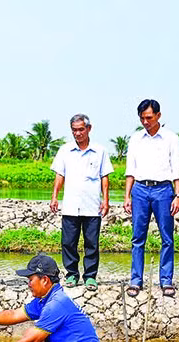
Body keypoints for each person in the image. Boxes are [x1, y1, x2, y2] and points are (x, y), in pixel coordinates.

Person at [123, 99, 179, 297]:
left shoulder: (170, 138)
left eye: (149, 117)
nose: (145, 121)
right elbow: (130, 170)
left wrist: (178, 195)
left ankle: (166, 281)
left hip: (163, 191)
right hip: (140, 190)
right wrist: (127, 196)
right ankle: (135, 280)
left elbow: (177, 169)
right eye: (142, 118)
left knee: (167, 238)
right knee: (137, 238)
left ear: (158, 115)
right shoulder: (135, 139)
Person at [50, 114, 113, 291]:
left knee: (91, 242)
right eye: (74, 130)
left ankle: (90, 276)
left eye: (81, 129)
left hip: (92, 205)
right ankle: (71, 274)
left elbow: (104, 177)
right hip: (70, 205)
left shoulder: (100, 151)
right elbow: (59, 175)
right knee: (68, 242)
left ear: (89, 129)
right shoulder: (65, 150)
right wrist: (54, 196)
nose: (78, 133)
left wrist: (106, 200)